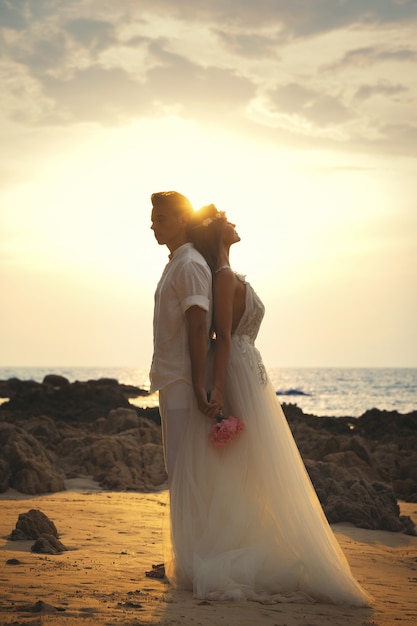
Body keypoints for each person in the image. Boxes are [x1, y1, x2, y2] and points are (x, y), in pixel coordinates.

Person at [163, 203, 371, 606]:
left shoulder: (228, 275)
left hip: (250, 371)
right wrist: (218, 388)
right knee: (240, 463)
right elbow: (220, 337)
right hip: (235, 373)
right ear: (216, 230)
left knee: (255, 463)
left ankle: (249, 538)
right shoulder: (221, 278)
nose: (235, 223)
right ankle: (223, 545)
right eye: (227, 220)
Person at [146, 191, 219, 578]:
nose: (152, 224)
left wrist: (196, 382)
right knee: (179, 469)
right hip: (171, 377)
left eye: (159, 217)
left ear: (180, 219)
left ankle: (190, 562)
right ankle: (184, 558)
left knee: (185, 469)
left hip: (181, 379)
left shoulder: (189, 263)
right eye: (153, 217)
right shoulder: (178, 262)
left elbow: (197, 324)